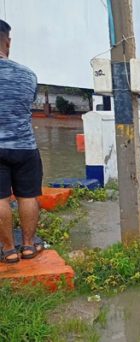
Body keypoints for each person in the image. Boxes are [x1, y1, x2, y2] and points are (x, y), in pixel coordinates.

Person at [0, 20, 44, 263]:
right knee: (28, 196)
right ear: (8, 42)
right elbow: (28, 105)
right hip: (25, 147)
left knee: (0, 199)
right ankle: (28, 246)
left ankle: (8, 250)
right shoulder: (28, 75)